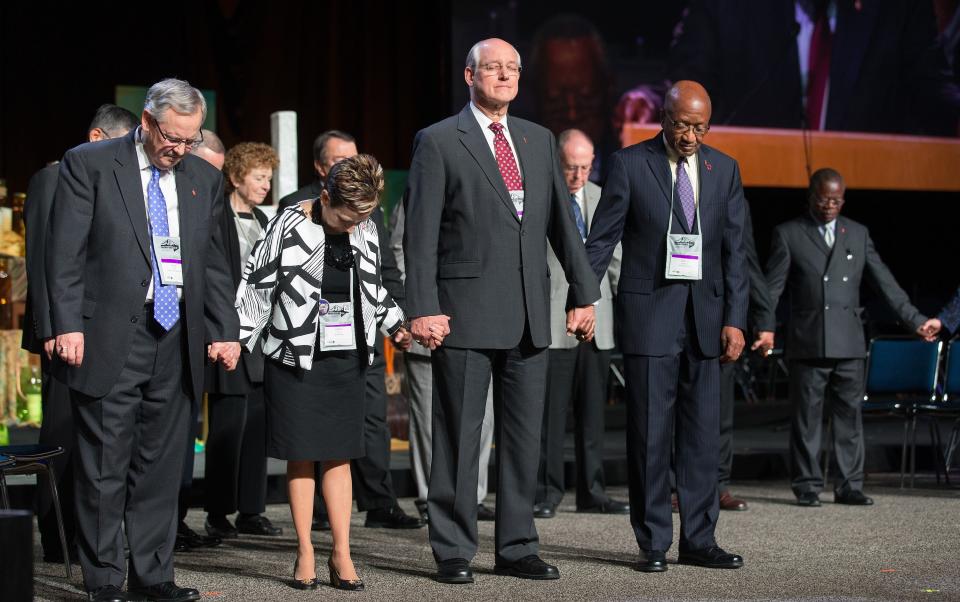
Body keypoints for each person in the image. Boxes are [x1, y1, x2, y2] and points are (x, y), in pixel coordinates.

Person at [404, 38, 600, 584]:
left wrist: (583, 294)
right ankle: (452, 550)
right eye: (493, 68)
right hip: (461, 314)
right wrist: (422, 308)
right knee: (460, 439)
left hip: (529, 315)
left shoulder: (539, 141)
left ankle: (516, 546)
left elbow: (563, 223)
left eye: (513, 68)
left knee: (523, 440)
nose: (505, 76)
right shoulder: (440, 140)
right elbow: (419, 235)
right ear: (469, 75)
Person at [46, 78, 241, 602]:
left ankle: (153, 577)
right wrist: (66, 324)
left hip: (177, 338)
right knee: (106, 465)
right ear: (148, 122)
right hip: (108, 335)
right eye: (172, 138)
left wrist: (225, 331)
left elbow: (218, 264)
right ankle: (106, 580)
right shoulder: (90, 163)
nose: (179, 149)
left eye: (190, 139)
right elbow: (63, 254)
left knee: (160, 469)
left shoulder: (202, 177)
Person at [585, 80, 748, 572]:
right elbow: (602, 238)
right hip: (650, 316)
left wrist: (736, 320)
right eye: (682, 125)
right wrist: (582, 297)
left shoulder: (725, 170)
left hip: (705, 319)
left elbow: (736, 253)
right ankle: (653, 542)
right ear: (664, 118)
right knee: (651, 436)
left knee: (701, 439)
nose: (691, 136)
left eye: (700, 127)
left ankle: (700, 540)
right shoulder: (631, 165)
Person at [237, 154, 409, 591]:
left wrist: (397, 325)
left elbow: (373, 287)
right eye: (346, 216)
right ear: (325, 196)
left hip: (346, 355)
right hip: (296, 355)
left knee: (340, 453)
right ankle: (306, 550)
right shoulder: (287, 224)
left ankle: (341, 552)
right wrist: (235, 340)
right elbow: (257, 285)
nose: (353, 225)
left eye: (362, 217)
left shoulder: (365, 224)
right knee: (302, 453)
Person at [279, 130, 421, 532]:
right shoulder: (296, 208)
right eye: (341, 161)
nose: (351, 166)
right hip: (315, 338)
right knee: (321, 422)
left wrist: (399, 318)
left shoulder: (369, 210)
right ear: (321, 169)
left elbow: (384, 274)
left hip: (361, 333)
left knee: (372, 417)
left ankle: (379, 501)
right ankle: (323, 510)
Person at [765, 167, 930, 508]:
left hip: (849, 343)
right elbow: (772, 290)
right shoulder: (789, 234)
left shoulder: (857, 233)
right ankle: (808, 485)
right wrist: (764, 327)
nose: (830, 205)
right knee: (806, 420)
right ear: (811, 197)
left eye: (837, 199)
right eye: (824, 198)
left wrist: (916, 320)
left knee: (849, 419)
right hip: (808, 341)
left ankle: (849, 485)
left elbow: (885, 283)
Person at [22, 104, 138, 565]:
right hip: (62, 334)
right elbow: (46, 259)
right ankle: (57, 538)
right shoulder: (55, 177)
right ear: (96, 138)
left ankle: (84, 533)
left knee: (90, 438)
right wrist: (52, 327)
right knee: (62, 437)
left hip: (97, 331)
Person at [617, 0, 960, 136]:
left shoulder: (898, 10)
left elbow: (934, 95)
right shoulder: (727, 8)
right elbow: (689, 82)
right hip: (752, 223)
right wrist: (652, 100)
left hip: (867, 227)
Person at [534, 129, 628, 518]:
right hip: (555, 322)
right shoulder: (543, 197)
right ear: (558, 162)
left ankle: (592, 491)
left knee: (593, 414)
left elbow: (617, 259)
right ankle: (546, 492)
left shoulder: (603, 197)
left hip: (598, 323)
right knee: (550, 417)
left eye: (585, 167)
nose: (577, 175)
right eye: (571, 167)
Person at [388, 202, 497, 524]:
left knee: (482, 416)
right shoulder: (415, 196)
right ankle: (429, 496)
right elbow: (398, 254)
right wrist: (417, 308)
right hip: (428, 323)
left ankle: (473, 497)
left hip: (478, 324)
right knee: (427, 420)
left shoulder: (481, 189)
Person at [200, 142, 282, 541]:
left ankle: (252, 509)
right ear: (235, 177)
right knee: (228, 426)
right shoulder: (219, 217)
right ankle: (218, 512)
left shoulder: (268, 221)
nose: (266, 184)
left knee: (257, 426)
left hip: (263, 338)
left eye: (269, 177)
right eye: (258, 177)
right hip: (230, 333)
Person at [278, 130, 357, 209]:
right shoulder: (293, 203)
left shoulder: (367, 199)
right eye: (340, 160)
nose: (350, 166)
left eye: (355, 160)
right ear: (320, 166)